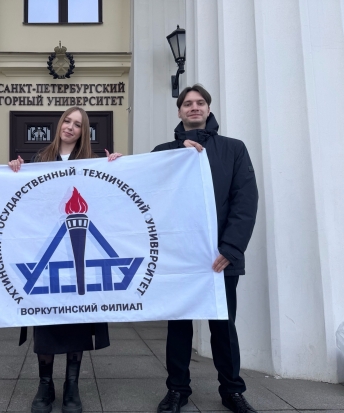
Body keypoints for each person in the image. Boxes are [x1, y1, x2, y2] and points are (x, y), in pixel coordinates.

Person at [152, 85, 259, 413]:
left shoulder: (234, 149)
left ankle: (232, 391)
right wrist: (174, 155)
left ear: (208, 109)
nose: (194, 107)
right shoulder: (163, 152)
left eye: (200, 103)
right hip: (180, 257)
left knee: (223, 327)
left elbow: (245, 200)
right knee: (179, 326)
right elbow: (148, 193)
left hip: (220, 257)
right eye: (187, 103)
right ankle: (177, 389)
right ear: (179, 111)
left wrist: (231, 248)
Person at [8, 107, 121, 413]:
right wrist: (13, 172)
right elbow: (25, 203)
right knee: (46, 321)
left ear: (84, 131)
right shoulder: (38, 160)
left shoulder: (93, 163)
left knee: (77, 320)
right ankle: (45, 384)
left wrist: (118, 168)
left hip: (81, 256)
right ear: (59, 125)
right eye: (67, 121)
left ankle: (72, 385)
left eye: (78, 124)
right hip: (49, 253)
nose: (70, 127)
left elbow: (108, 202)